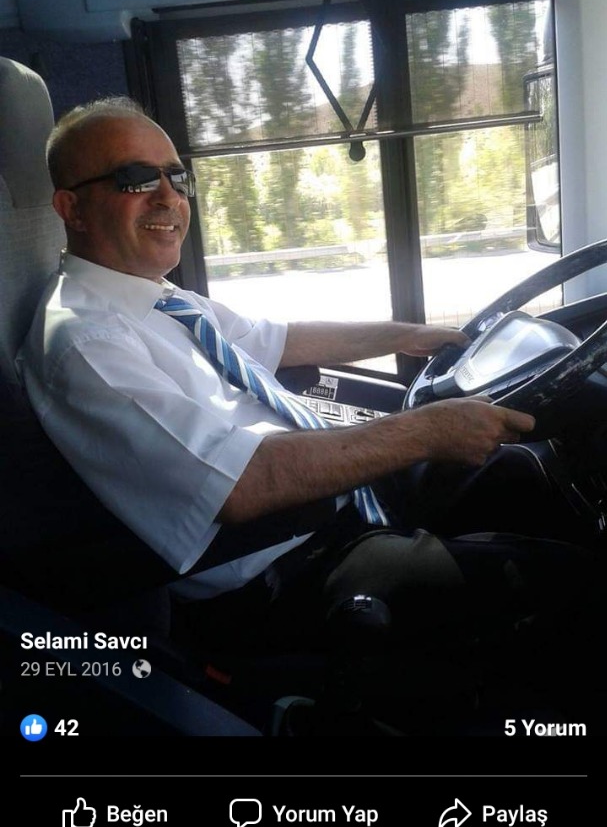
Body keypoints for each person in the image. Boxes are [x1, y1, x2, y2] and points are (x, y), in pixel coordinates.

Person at [18, 97, 604, 731]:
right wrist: (425, 431)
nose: (168, 196)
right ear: (71, 208)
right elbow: (243, 486)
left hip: (330, 507)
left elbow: (281, 339)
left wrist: (409, 335)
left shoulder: (157, 298)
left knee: (521, 474)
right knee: (574, 580)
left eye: (176, 176)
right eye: (136, 179)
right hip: (286, 570)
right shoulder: (86, 341)